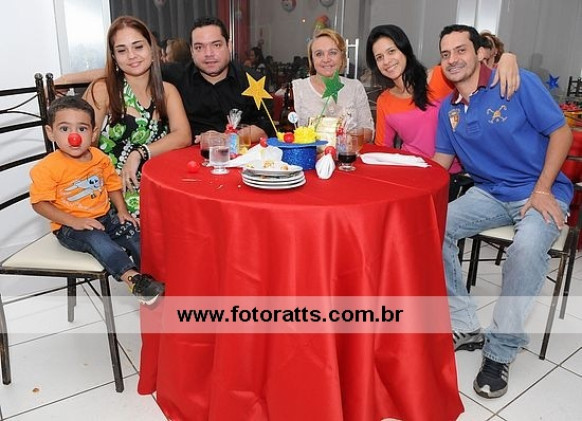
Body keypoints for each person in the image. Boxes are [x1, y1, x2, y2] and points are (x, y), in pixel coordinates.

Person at [433, 24, 573, 399]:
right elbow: (439, 164)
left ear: (480, 52)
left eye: (460, 50)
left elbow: (562, 133)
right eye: (445, 54)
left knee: (525, 251)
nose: (453, 59)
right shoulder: (448, 109)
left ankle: (499, 352)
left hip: (540, 190)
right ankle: (465, 325)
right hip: (489, 193)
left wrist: (542, 188)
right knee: (433, 226)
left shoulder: (515, 82)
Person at [29, 96, 165, 305]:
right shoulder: (46, 168)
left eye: (82, 129)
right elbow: (39, 204)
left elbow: (112, 185)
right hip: (69, 227)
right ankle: (133, 280)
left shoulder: (99, 158)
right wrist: (74, 221)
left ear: (93, 133)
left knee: (134, 232)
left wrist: (122, 211)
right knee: (100, 241)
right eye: (64, 129)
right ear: (51, 132)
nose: (74, 136)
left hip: (105, 217)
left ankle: (152, 280)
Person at [366, 24, 519, 200]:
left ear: (404, 49)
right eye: (379, 57)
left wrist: (508, 58)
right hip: (409, 176)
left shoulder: (441, 76)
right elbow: (382, 151)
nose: (386, 61)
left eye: (391, 51)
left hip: (451, 176)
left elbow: (481, 76)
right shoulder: (384, 100)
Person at [83, 16, 191, 218]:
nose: (131, 55)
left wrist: (139, 153)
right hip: (114, 188)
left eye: (138, 47)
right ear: (114, 57)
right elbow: (84, 146)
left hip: (158, 181)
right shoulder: (103, 89)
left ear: (152, 49)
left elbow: (183, 135)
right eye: (122, 50)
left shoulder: (167, 91)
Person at [162, 16, 274, 144]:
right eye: (199, 47)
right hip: (186, 153)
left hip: (240, 152)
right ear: (191, 51)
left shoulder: (253, 81)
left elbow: (265, 128)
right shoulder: (174, 78)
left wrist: (227, 139)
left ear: (229, 46)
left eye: (216, 45)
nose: (208, 53)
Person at [292, 28, 374, 142]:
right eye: (319, 54)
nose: (326, 59)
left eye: (332, 53)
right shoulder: (297, 88)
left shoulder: (355, 87)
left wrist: (342, 138)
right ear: (312, 59)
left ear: (342, 56)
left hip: (348, 152)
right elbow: (289, 133)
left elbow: (368, 132)